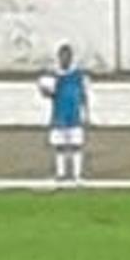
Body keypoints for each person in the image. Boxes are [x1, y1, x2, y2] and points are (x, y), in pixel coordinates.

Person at [40, 43, 90, 185]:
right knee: (59, 146)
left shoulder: (78, 75)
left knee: (76, 145)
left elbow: (83, 95)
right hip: (59, 115)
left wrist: (86, 114)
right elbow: (49, 94)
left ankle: (77, 175)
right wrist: (45, 90)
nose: (64, 59)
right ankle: (60, 174)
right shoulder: (54, 76)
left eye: (67, 56)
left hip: (74, 115)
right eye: (62, 56)